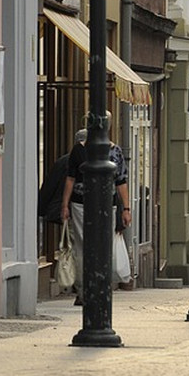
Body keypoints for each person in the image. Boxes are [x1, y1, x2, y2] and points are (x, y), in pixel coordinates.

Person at [59, 126, 132, 304]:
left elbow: (121, 181)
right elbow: (71, 178)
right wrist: (65, 205)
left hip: (99, 204)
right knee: (91, 245)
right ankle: (90, 289)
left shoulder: (113, 151)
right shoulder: (83, 150)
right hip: (84, 204)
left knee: (93, 245)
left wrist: (126, 209)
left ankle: (93, 289)